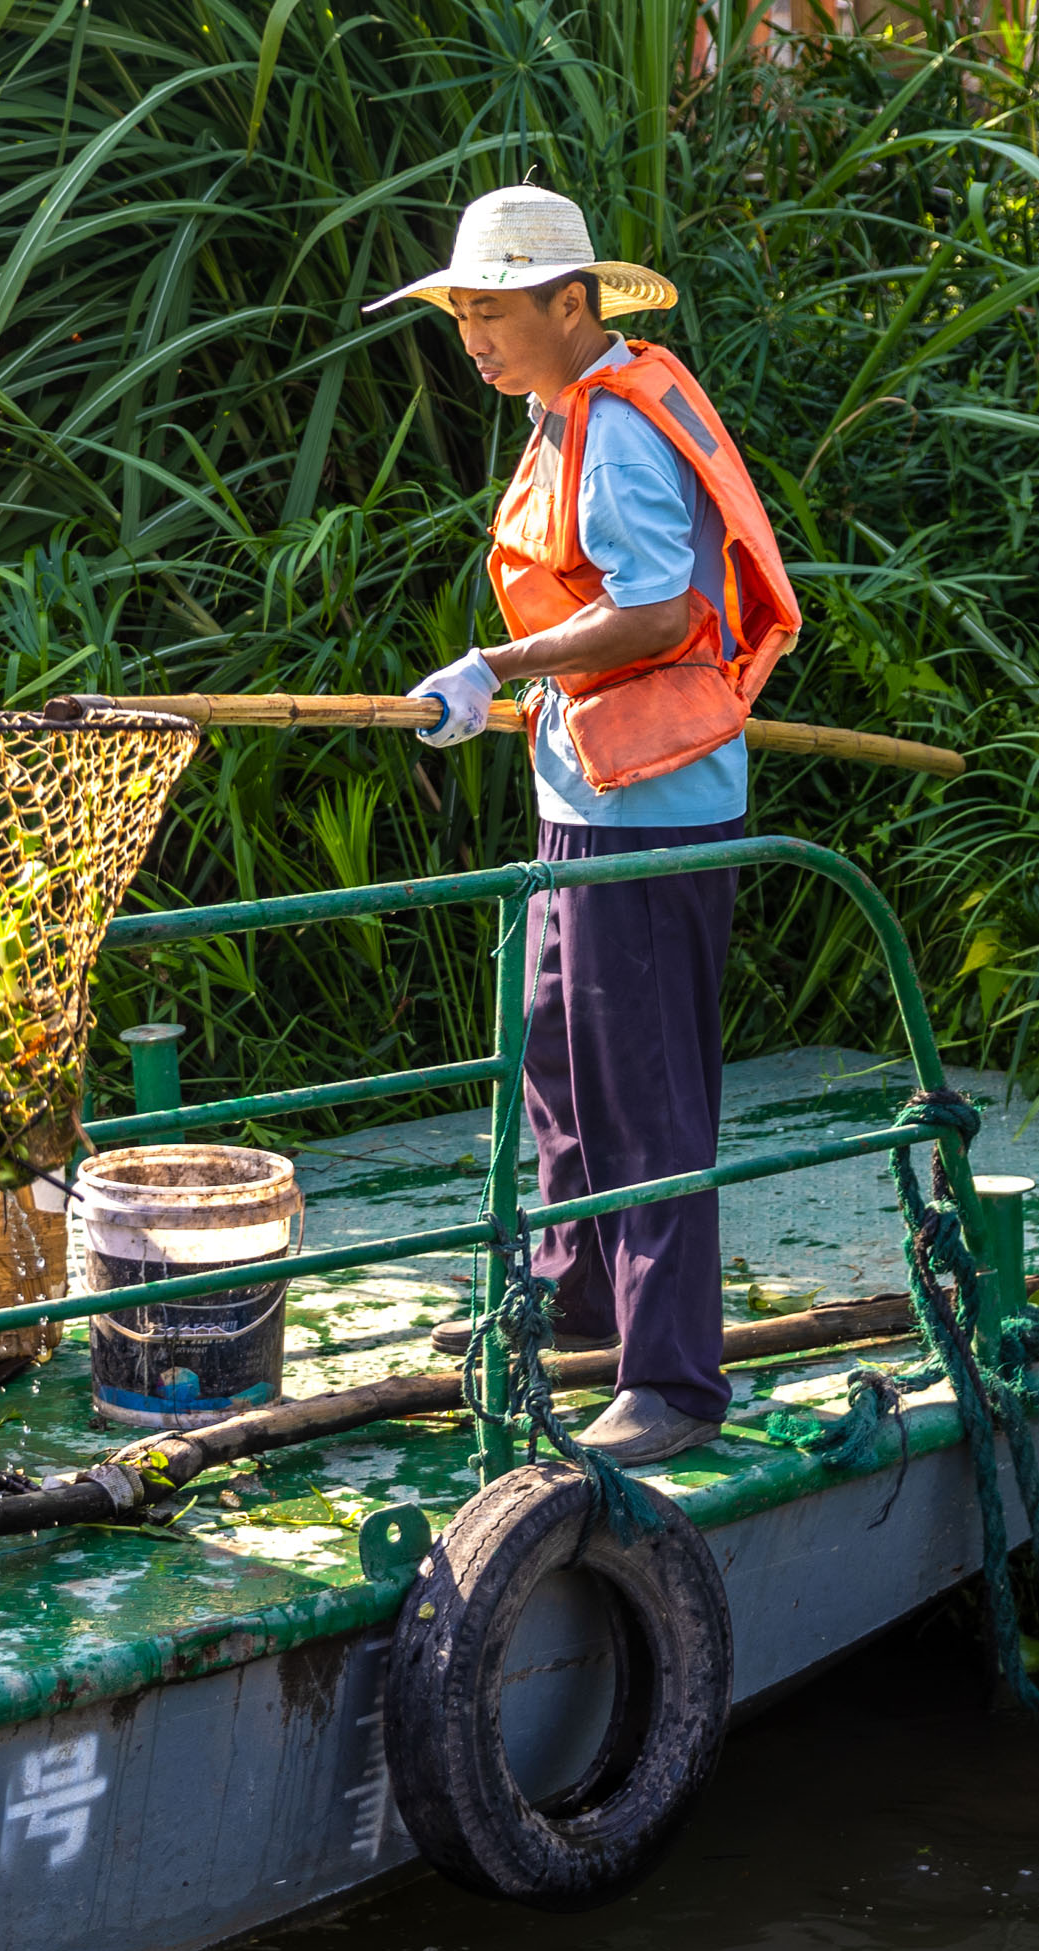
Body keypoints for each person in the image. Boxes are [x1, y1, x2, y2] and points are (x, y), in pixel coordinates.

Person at [368, 184, 803, 1464]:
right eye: (461, 315)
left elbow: (659, 613)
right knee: (561, 1059)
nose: (473, 339)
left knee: (645, 1090)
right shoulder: (565, 410)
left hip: (652, 814)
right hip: (591, 791)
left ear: (573, 304)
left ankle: (669, 1381)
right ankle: (572, 1306)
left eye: (493, 311)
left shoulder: (611, 427)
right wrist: (513, 692)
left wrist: (493, 669)